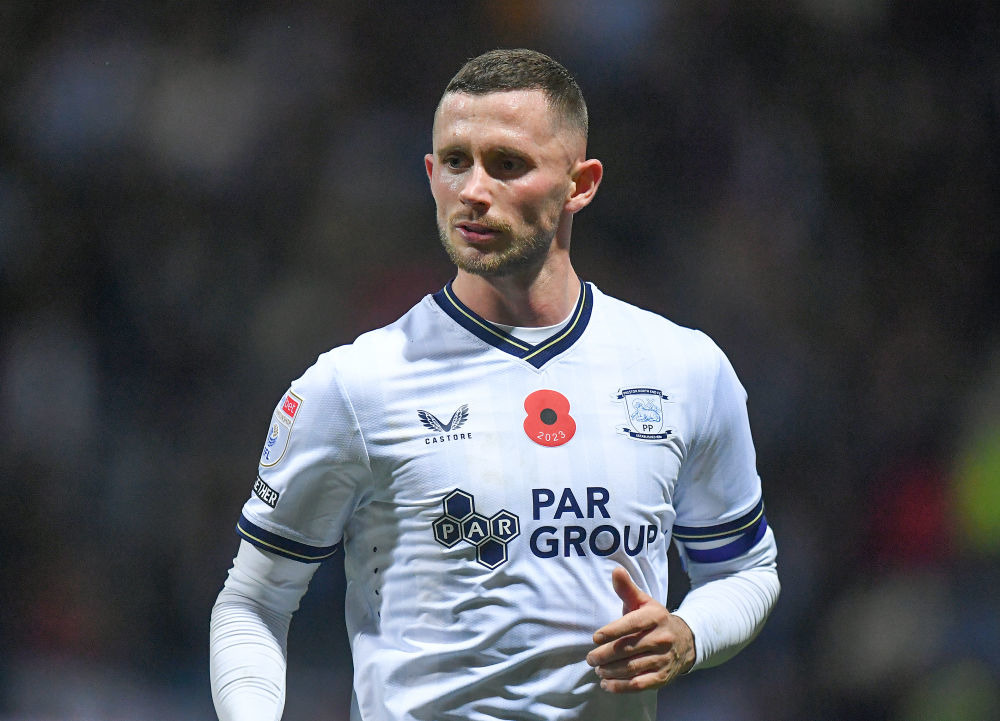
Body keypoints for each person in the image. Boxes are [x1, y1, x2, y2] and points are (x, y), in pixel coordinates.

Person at [209, 48, 780, 721]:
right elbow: (254, 600)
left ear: (581, 182)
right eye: (455, 161)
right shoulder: (355, 385)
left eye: (507, 164)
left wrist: (690, 634)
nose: (473, 189)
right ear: (430, 174)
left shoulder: (683, 368)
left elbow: (745, 570)